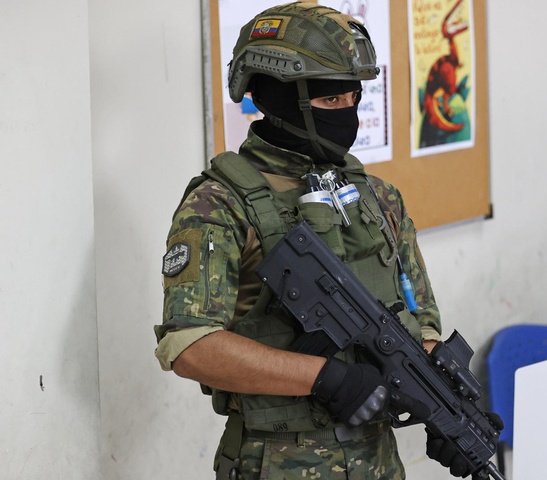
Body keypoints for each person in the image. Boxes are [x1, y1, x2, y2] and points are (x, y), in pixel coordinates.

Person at [154, 4, 481, 479]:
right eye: (330, 102)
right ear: (275, 97)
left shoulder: (380, 198)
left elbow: (421, 321)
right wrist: (324, 378)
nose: (346, 114)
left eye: (353, 98)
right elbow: (189, 347)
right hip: (276, 462)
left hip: (379, 464)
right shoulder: (220, 204)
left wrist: (443, 406)